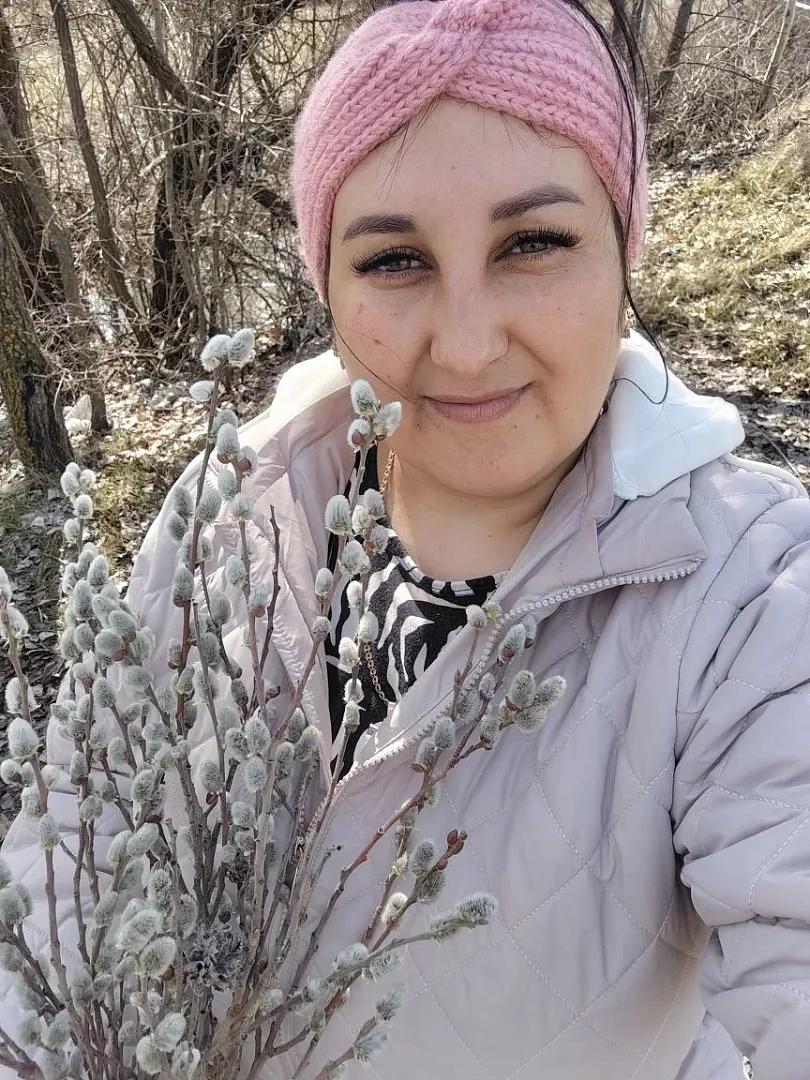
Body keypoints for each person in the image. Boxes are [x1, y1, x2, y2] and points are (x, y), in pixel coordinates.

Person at [2, 0, 810, 1077]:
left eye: (534, 243)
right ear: (326, 286)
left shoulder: (754, 595)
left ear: (625, 255)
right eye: (394, 260)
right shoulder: (225, 520)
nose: (466, 346)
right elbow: (67, 864)